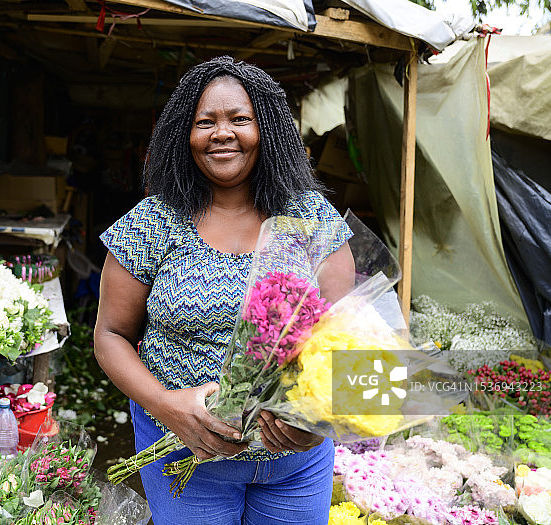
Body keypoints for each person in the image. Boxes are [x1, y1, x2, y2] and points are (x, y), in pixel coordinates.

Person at [94, 56, 355, 525]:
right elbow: (110, 334)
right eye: (205, 122)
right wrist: (165, 405)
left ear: (268, 129)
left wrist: (319, 421)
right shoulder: (151, 223)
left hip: (294, 464)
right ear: (184, 134)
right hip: (183, 458)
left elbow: (349, 335)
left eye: (240, 119)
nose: (222, 133)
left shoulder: (311, 218)